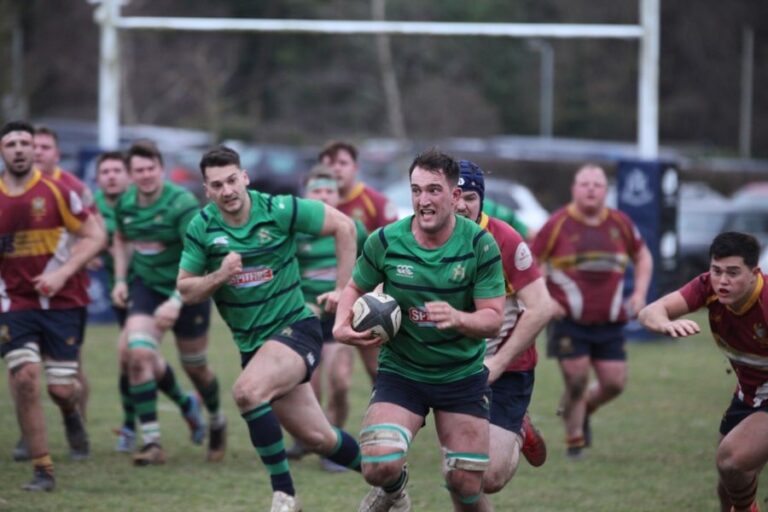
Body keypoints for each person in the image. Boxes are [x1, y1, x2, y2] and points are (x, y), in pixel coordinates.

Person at [176, 146, 363, 512]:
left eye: (232, 180)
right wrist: (219, 276)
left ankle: (284, 497)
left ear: (244, 177)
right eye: (217, 185)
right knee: (318, 437)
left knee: (247, 392)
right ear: (207, 190)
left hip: (296, 327)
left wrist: (343, 291)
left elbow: (344, 225)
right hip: (255, 348)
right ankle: (391, 479)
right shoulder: (202, 227)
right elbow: (185, 289)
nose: (227, 190)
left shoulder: (278, 209)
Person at [334, 149, 507, 512]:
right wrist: (341, 324)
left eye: (433, 190)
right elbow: (354, 288)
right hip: (402, 373)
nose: (423, 201)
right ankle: (395, 492)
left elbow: (492, 319)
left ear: (455, 196)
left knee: (464, 482)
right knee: (378, 466)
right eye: (416, 191)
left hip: (460, 375)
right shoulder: (385, 240)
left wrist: (459, 318)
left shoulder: (480, 244)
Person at [0, 120, 106, 491]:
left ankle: (70, 413)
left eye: (24, 142)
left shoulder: (60, 191)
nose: (18, 149)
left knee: (61, 388)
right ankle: (43, 470)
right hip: (14, 303)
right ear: (2, 151)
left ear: (35, 150)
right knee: (25, 375)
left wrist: (64, 273)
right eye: (10, 143)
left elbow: (97, 235)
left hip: (63, 301)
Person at [111, 141, 224, 465]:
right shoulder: (126, 204)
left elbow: (201, 255)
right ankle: (152, 443)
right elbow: (120, 238)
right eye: (138, 170)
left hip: (188, 290)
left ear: (160, 169)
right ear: (130, 175)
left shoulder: (181, 204)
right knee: (138, 354)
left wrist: (177, 299)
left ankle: (215, 419)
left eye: (150, 169)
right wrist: (120, 279)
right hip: (146, 287)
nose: (145, 175)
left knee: (197, 368)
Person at [531, 163, 652, 458]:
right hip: (568, 319)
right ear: (574, 189)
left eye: (597, 185)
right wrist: (546, 299)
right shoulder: (558, 222)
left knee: (614, 383)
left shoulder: (620, 223)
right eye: (584, 184)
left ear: (605, 191)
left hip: (609, 320)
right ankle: (575, 442)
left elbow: (643, 255)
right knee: (576, 379)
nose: (591, 189)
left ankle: (582, 409)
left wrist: (638, 294)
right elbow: (531, 262)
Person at [638, 232, 765, 512]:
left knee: (731, 460)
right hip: (747, 395)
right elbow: (650, 311)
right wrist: (664, 324)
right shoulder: (708, 288)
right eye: (717, 270)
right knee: (728, 484)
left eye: (733, 273)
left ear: (754, 273)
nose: (722, 281)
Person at [454, 160, 553, 494]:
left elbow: (542, 308)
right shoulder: (426, 235)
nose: (460, 205)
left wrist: (497, 363)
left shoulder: (505, 239)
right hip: (452, 367)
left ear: (481, 200)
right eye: (454, 195)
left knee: (490, 478)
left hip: (508, 368)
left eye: (469, 197)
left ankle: (519, 429)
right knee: (459, 473)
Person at [295, 164, 368, 472]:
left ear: (339, 196)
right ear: (306, 196)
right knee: (309, 386)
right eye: (316, 190)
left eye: (329, 191)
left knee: (339, 381)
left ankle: (334, 445)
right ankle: (310, 437)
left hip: (341, 314)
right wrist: (301, 303)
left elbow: (372, 269)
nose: (323, 196)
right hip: (306, 314)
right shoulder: (295, 230)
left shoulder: (354, 229)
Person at [319, 141, 398, 382]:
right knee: (331, 378)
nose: (336, 170)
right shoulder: (317, 205)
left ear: (356, 167)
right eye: (329, 164)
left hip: (364, 297)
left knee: (376, 370)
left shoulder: (377, 203)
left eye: (342, 163)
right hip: (322, 299)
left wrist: (377, 294)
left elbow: (392, 254)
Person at [92, 151, 136, 452]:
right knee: (130, 359)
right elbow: (72, 235)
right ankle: (131, 426)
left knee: (136, 357)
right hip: (122, 292)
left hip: (153, 286)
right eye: (105, 171)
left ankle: (190, 403)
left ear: (128, 175)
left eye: (116, 170)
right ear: (98, 178)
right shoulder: (91, 206)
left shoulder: (139, 202)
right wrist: (89, 251)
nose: (111, 176)